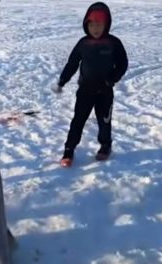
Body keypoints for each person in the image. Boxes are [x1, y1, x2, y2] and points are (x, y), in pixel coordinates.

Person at [55, 2, 128, 167]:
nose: (95, 28)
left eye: (99, 25)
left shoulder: (113, 43)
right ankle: (69, 149)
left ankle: (105, 145)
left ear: (106, 25)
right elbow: (72, 64)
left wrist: (112, 79)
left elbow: (123, 63)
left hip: (105, 90)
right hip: (85, 91)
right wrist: (62, 80)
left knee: (104, 121)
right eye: (92, 24)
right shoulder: (83, 44)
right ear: (86, 25)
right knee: (78, 120)